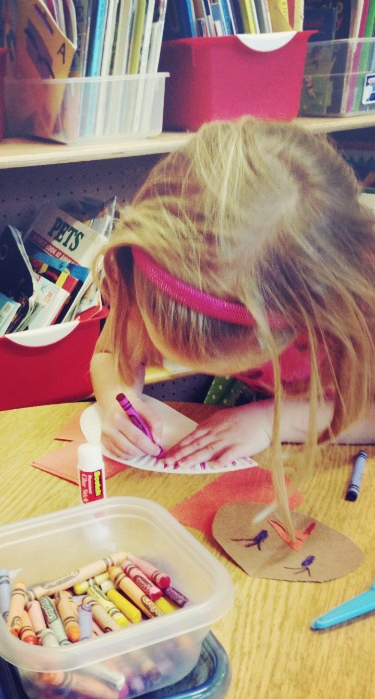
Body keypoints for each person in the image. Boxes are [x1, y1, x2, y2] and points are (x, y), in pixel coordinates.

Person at [90, 117, 375, 526]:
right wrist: (120, 401)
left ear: (312, 312)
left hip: (332, 430)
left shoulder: (356, 303)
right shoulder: (158, 269)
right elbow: (111, 352)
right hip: (241, 427)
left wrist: (271, 420)